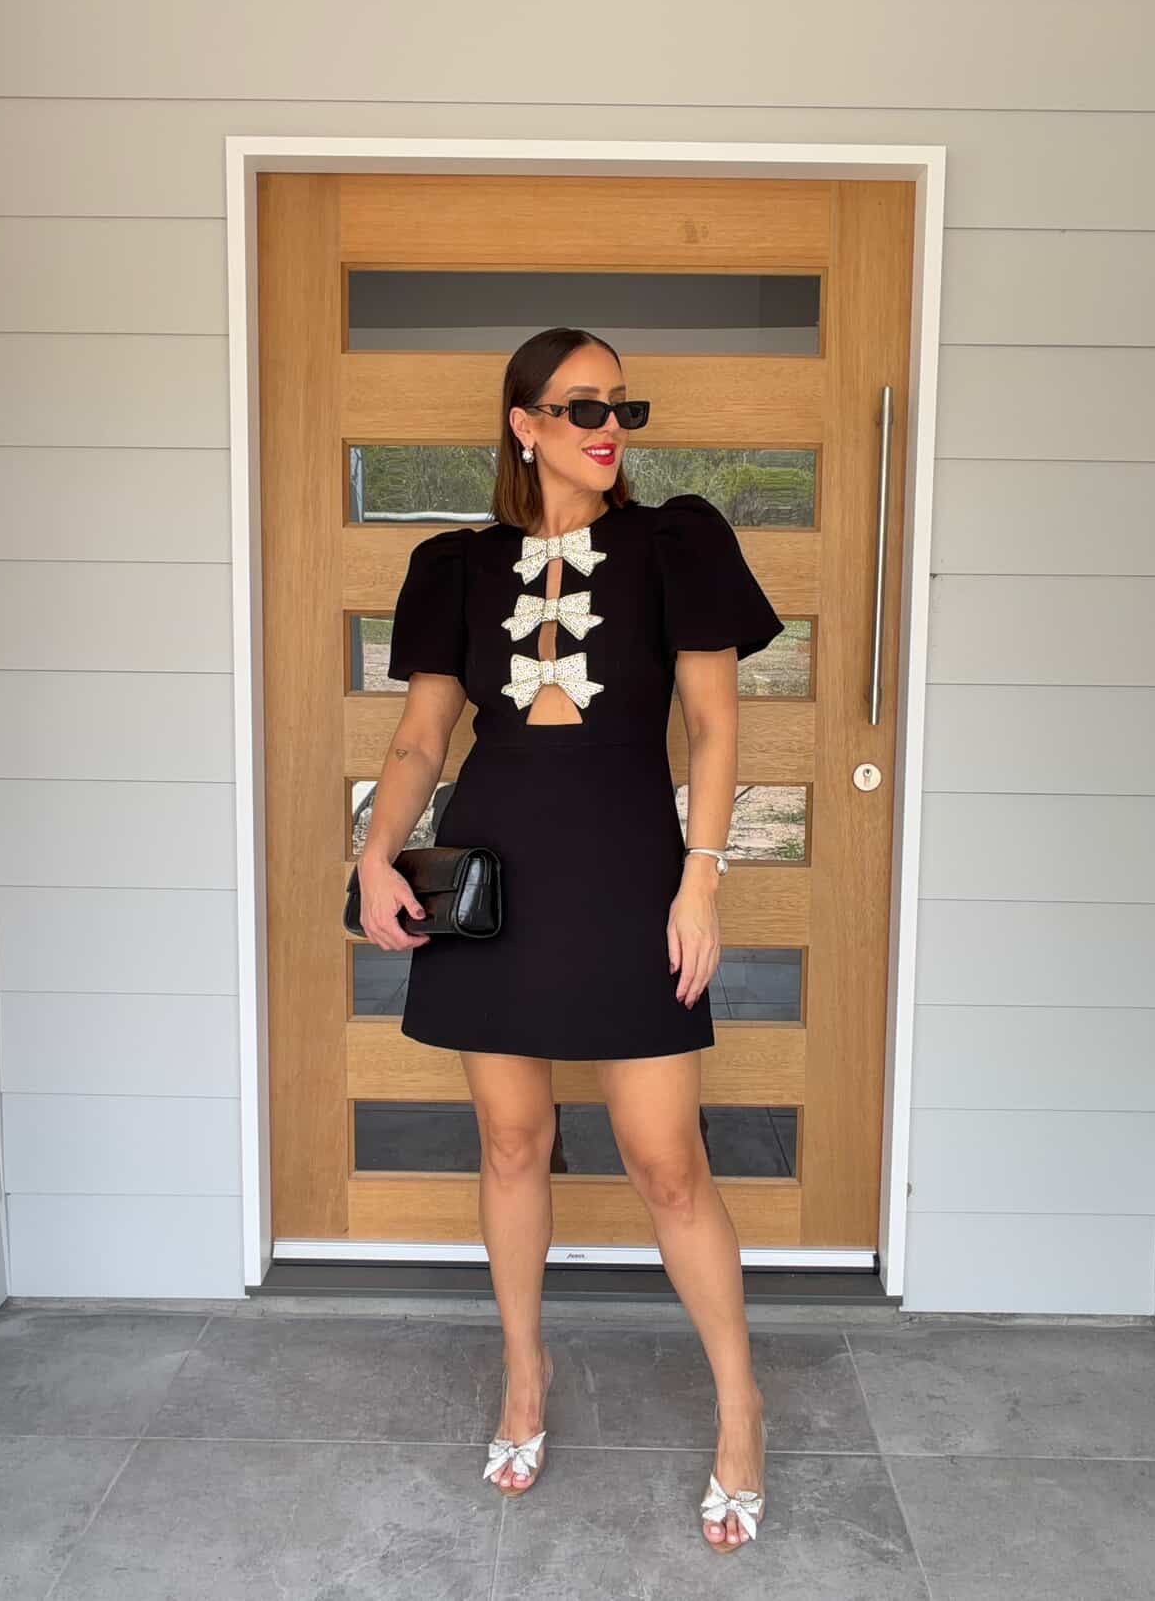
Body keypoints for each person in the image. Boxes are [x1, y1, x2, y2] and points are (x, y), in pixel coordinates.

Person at [358, 326, 782, 1551]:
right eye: (580, 404)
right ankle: (525, 1376)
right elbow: (422, 741)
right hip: (494, 879)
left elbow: (711, 732)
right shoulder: (455, 563)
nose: (609, 424)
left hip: (629, 873)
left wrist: (700, 881)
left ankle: (740, 1407)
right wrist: (376, 850)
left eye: (622, 406)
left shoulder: (677, 542)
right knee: (509, 1139)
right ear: (523, 423)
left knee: (666, 1162)